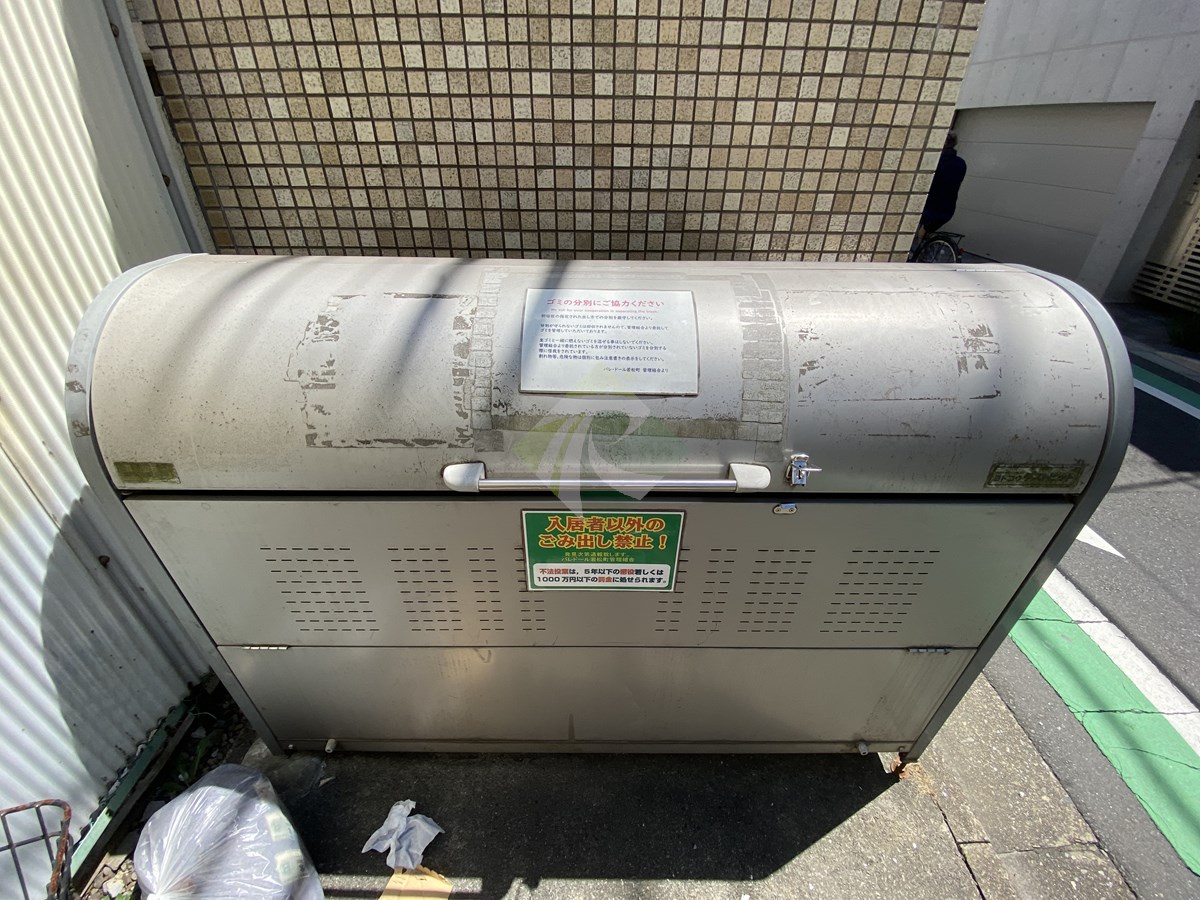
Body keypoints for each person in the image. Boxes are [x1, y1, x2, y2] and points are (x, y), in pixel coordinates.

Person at [908, 131, 967, 261]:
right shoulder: (961, 163)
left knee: (908, 235)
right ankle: (925, 253)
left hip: (928, 207)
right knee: (925, 236)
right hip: (947, 209)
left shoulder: (934, 162)